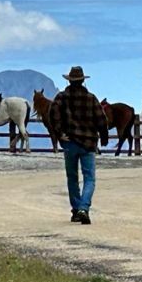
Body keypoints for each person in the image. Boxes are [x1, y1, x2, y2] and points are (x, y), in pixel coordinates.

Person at [49, 66, 108, 225]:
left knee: (72, 177)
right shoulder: (91, 98)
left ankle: (76, 210)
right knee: (89, 178)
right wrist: (104, 137)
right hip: (88, 143)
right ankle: (84, 208)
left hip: (70, 142)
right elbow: (101, 119)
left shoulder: (61, 98)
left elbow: (52, 115)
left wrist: (59, 132)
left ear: (69, 80)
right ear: (83, 81)